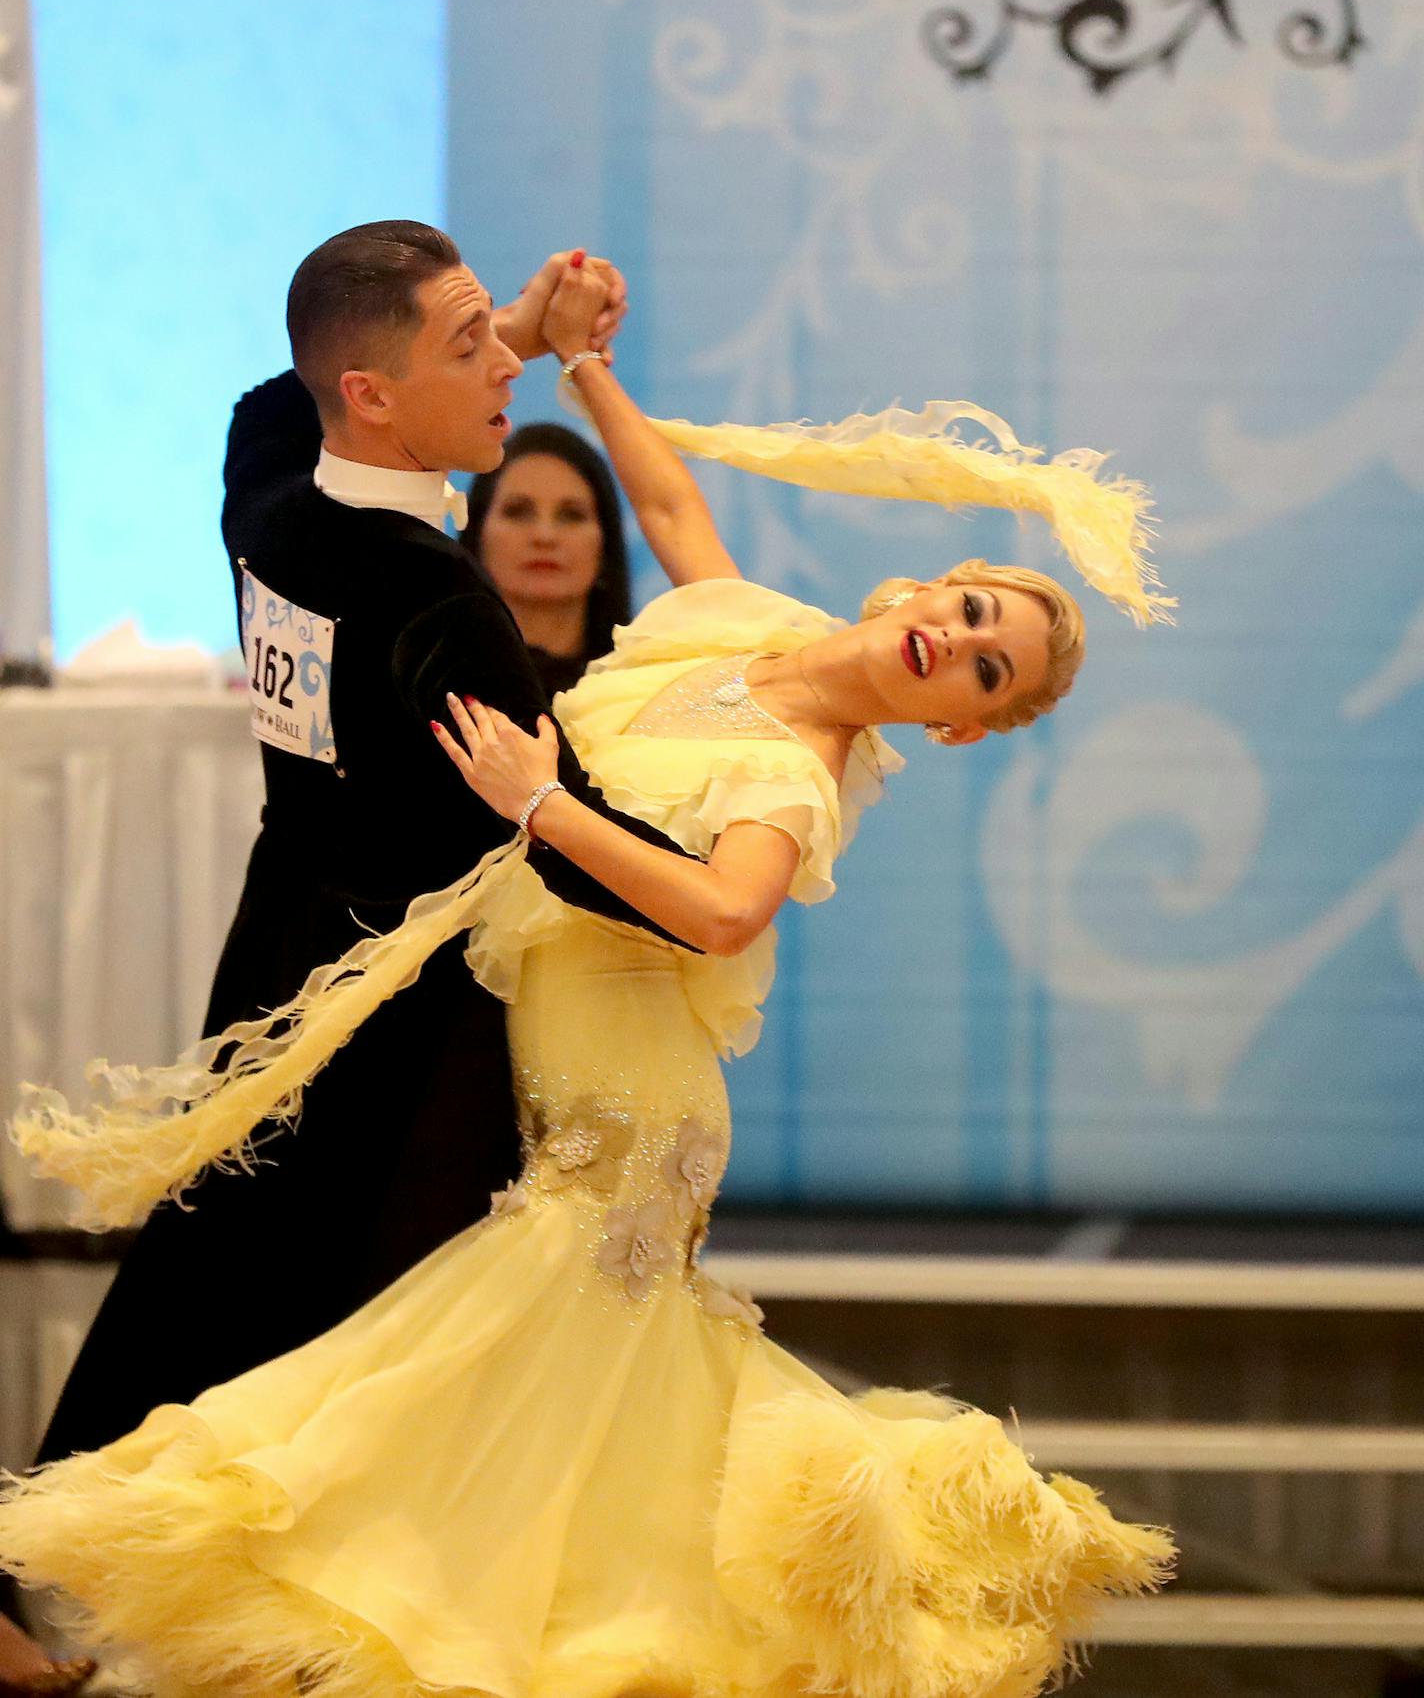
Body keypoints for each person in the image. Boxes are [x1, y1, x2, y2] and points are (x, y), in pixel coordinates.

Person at [0, 260, 1173, 1697]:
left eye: (990, 674)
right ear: (925, 583)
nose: (968, 645)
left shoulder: (806, 775)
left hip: (621, 1099)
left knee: (479, 1393)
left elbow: (727, 916)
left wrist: (541, 804)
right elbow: (672, 508)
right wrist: (583, 369)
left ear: (963, 726)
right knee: (495, 1403)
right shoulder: (744, 621)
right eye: (981, 610)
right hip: (515, 1018)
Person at [15, 226, 705, 1603]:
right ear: (375, 395)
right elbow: (551, 830)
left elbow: (276, 394)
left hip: (276, 942)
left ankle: (65, 1576)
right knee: (343, 1321)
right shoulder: (433, 594)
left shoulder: (269, 487)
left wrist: (513, 313)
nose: (503, 363)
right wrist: (715, 894)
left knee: (200, 1269)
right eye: (470, 347)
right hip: (396, 1010)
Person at [462, 422, 633, 698]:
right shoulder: (424, 683)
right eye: (518, 512)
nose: (545, 536)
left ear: (605, 544)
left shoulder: (645, 687)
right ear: (477, 534)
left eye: (571, 515)